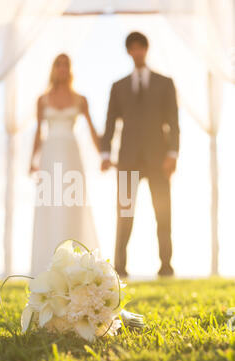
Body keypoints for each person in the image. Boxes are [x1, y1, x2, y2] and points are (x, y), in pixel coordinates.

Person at [101, 32, 180, 278]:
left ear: (146, 49)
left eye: (140, 47)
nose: (137, 52)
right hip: (127, 159)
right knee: (124, 213)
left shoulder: (164, 82)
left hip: (159, 159)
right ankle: (120, 267)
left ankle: (166, 266)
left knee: (163, 213)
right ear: (128, 52)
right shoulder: (119, 86)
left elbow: (174, 122)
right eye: (132, 48)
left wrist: (173, 154)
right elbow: (110, 122)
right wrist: (105, 153)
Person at [29, 54, 100, 276]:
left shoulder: (81, 99)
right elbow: (38, 132)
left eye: (65, 65)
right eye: (58, 64)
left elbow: (92, 129)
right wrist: (32, 160)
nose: (62, 68)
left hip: (71, 155)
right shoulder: (42, 99)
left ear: (70, 69)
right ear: (53, 69)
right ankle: (49, 264)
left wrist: (104, 155)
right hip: (49, 156)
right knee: (50, 204)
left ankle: (77, 266)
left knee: (73, 204)